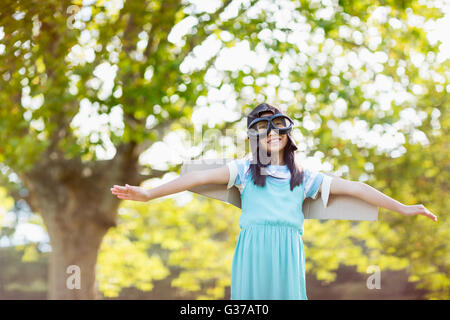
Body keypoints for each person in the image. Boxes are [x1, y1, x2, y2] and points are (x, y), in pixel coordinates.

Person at [110, 103, 438, 300]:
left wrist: (404, 207)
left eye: (277, 126)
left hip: (288, 251)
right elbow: (193, 179)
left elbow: (357, 188)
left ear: (287, 134)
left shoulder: (305, 178)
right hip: (253, 248)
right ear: (255, 137)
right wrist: (149, 193)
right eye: (263, 128)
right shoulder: (244, 170)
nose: (271, 133)